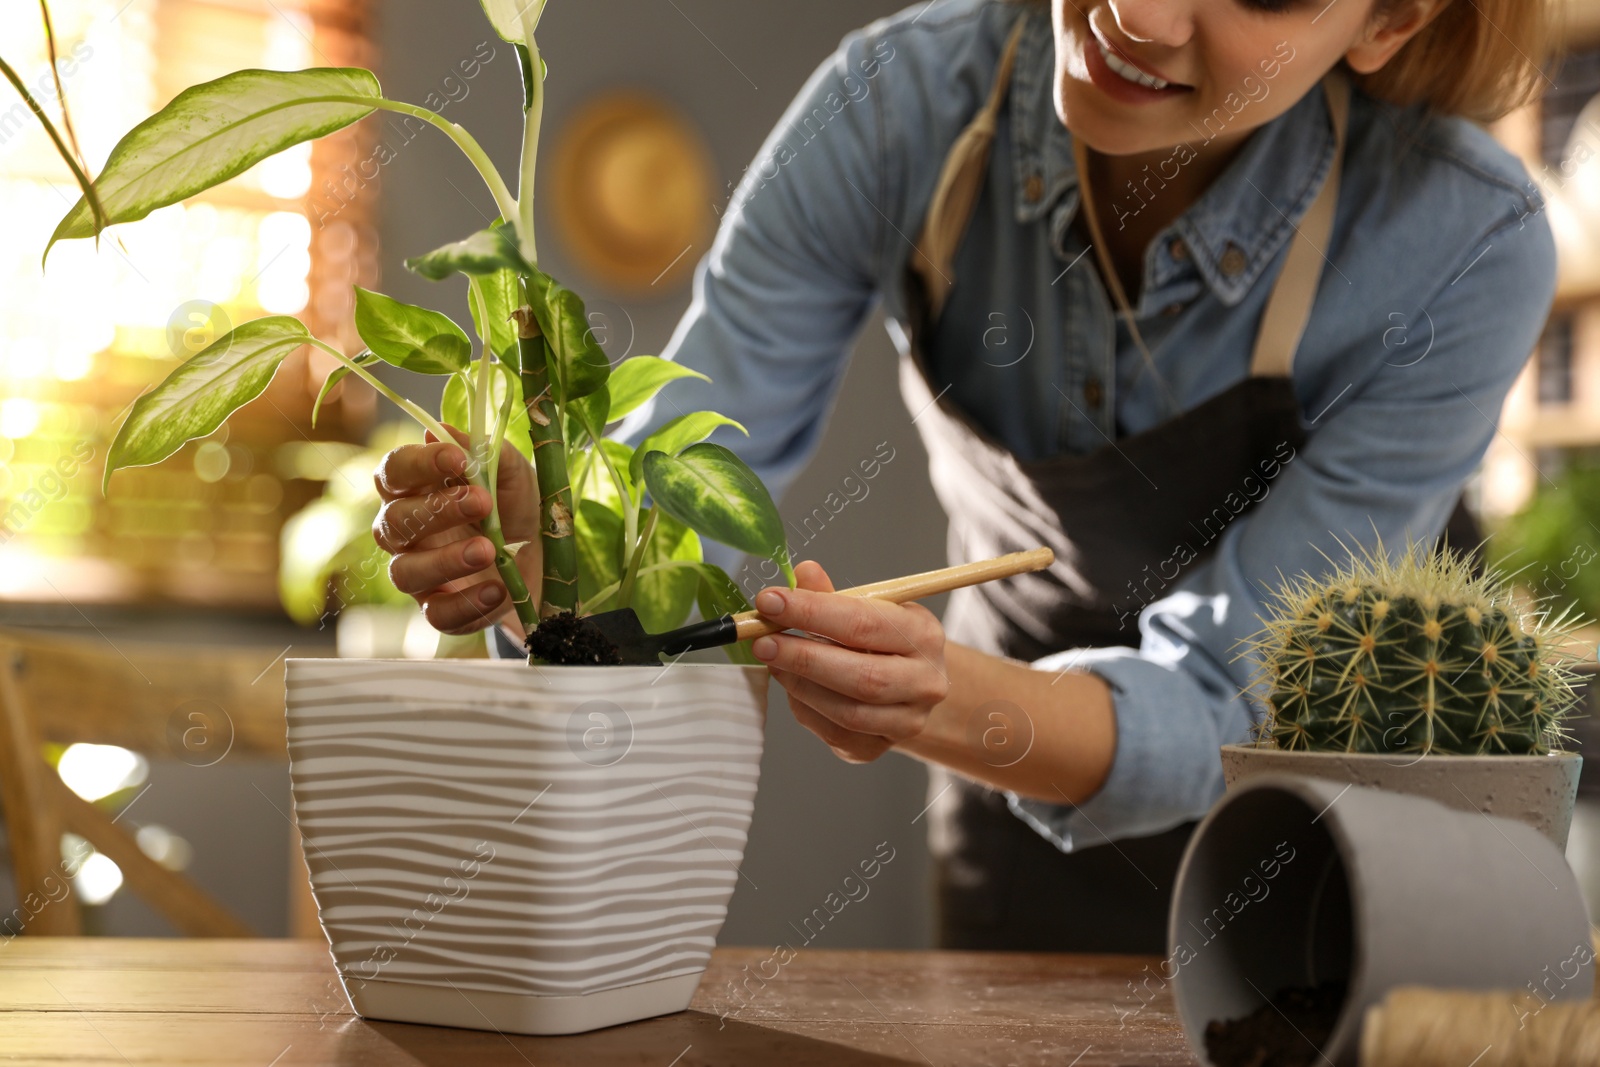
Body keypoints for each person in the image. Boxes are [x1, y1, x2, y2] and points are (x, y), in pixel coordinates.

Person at [370, 0, 1558, 953]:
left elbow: (1235, 696)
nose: (1137, 17)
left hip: (1333, 833)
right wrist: (554, 546)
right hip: (1014, 820)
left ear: (1388, 22)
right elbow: (691, 466)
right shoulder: (897, 108)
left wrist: (938, 701)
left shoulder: (1460, 238)